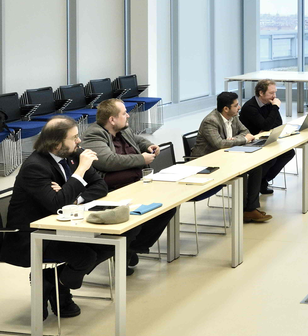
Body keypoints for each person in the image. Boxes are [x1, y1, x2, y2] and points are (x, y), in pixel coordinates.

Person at [0, 117, 111, 319]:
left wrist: (74, 198)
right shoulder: (35, 166)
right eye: (74, 137)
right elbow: (57, 204)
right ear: (57, 143)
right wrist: (80, 172)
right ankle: (59, 289)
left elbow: (100, 186)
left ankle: (51, 281)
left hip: (60, 226)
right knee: (84, 256)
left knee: (109, 244)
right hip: (30, 235)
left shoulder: (73, 154)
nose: (79, 141)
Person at [80, 99, 177, 263]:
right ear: (112, 119)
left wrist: (148, 145)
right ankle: (123, 250)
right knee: (135, 220)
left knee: (167, 208)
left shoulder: (123, 129)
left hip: (137, 185)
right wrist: (141, 159)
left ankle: (132, 248)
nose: (128, 116)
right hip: (113, 190)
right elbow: (108, 161)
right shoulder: (94, 135)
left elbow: (137, 140)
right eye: (124, 113)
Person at [191, 92, 271, 223]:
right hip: (206, 162)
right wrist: (242, 140)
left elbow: (245, 132)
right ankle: (244, 210)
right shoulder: (210, 121)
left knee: (256, 167)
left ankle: (250, 209)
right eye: (236, 105)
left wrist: (234, 139)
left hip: (225, 156)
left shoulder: (233, 117)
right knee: (242, 171)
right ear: (226, 108)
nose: (239, 107)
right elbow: (219, 144)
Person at [239, 79, 295, 195]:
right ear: (261, 93)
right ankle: (256, 182)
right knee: (271, 158)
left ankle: (261, 180)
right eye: (271, 93)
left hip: (265, 138)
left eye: (275, 93)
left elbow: (278, 123)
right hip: (250, 141)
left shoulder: (270, 103)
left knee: (289, 153)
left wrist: (266, 126)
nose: (274, 96)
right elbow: (266, 125)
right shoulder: (250, 107)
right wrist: (275, 108)